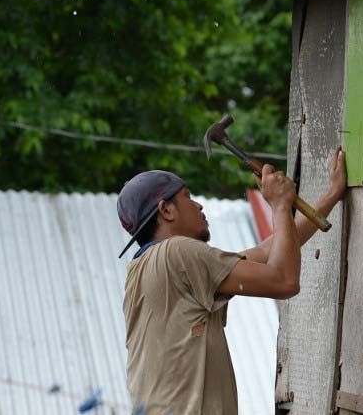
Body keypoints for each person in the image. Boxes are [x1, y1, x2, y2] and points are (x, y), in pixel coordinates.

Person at [115, 148, 346, 415]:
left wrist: (330, 196)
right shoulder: (178, 252)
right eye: (188, 197)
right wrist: (281, 204)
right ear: (166, 210)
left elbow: (266, 253)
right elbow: (284, 281)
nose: (198, 205)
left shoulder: (145, 268)